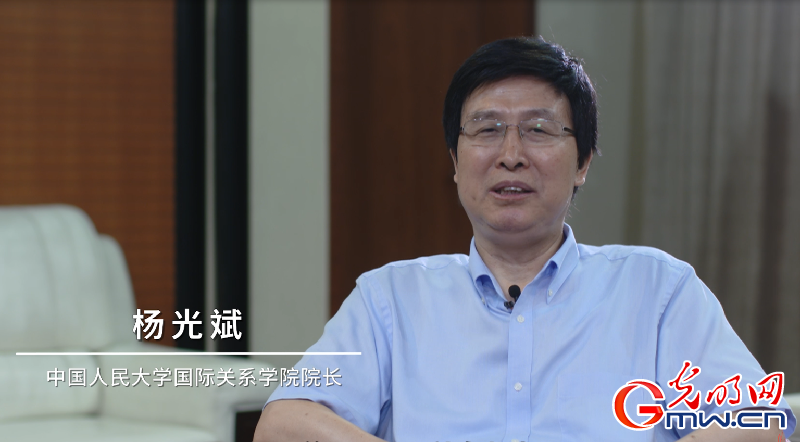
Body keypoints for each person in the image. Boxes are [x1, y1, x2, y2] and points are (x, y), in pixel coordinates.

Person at [254, 37, 795, 441]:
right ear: (455, 161)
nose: (511, 154)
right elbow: (284, 425)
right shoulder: (390, 299)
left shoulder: (657, 290)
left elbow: (760, 423)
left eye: (538, 130)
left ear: (583, 162)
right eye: (487, 129)